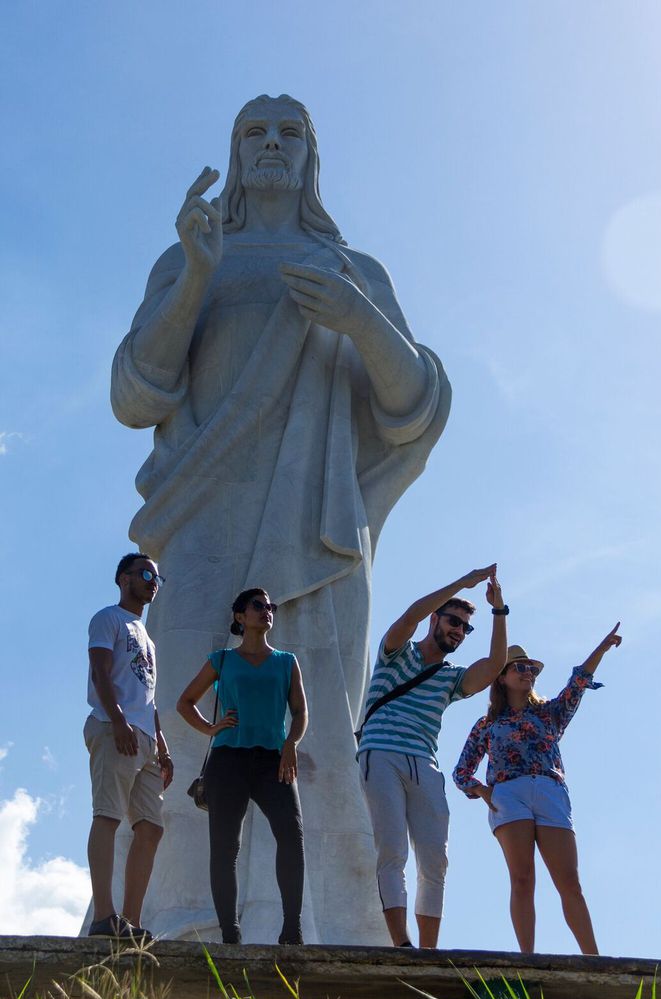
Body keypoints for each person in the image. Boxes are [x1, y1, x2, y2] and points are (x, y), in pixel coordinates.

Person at [110, 93, 451, 942]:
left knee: (317, 726)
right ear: (233, 152)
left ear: (310, 156)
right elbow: (136, 391)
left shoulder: (354, 271)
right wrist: (193, 276)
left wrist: (359, 322)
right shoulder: (195, 254)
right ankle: (178, 917)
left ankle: (323, 925)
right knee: (195, 718)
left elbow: (415, 406)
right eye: (254, 132)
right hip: (203, 518)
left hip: (319, 537)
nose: (271, 144)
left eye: (288, 132)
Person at [357, 564, 509, 948]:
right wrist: (461, 583)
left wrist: (498, 611)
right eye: (453, 621)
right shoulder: (395, 654)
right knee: (392, 850)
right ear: (436, 619)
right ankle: (401, 945)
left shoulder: (451, 678)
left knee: (435, 861)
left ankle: (428, 952)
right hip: (382, 752)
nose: (457, 630)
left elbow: (492, 668)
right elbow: (409, 617)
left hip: (424, 762)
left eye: (464, 627)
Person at [454, 625, 622, 954]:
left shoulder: (549, 713)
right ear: (501, 677)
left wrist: (600, 649)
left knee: (570, 882)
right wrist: (481, 791)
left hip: (549, 790)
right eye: (519, 666)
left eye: (531, 668)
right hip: (509, 794)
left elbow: (577, 685)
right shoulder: (488, 724)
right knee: (522, 879)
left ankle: (594, 959)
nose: (527, 672)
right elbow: (461, 770)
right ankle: (527, 958)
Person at [177, 588, 308, 945]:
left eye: (271, 607)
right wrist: (210, 727)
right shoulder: (221, 659)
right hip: (228, 760)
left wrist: (291, 745)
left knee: (292, 837)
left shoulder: (286, 661)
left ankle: (292, 929)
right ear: (240, 616)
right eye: (258, 605)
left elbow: (299, 711)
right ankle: (230, 933)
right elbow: (185, 702)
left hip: (273, 760)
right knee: (225, 846)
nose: (267, 611)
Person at [84, 552, 173, 939]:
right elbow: (101, 672)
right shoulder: (109, 618)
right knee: (107, 815)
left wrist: (163, 746)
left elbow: (147, 696)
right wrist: (118, 720)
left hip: (146, 738)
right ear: (124, 579)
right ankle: (104, 917)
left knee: (151, 828)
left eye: (157, 577)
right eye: (146, 573)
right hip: (113, 728)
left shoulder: (146, 635)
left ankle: (130, 923)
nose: (153, 581)